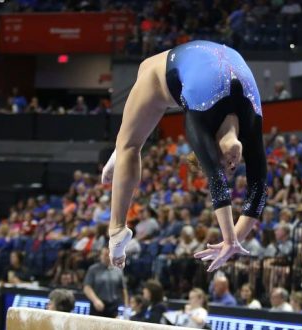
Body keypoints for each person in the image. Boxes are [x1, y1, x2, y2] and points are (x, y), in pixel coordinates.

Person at [100, 40, 268, 273]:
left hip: (163, 76)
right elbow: (251, 188)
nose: (232, 165)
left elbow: (231, 185)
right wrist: (232, 240)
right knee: (128, 142)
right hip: (190, 61)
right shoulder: (252, 124)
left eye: (225, 166)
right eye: (232, 168)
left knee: (130, 144)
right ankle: (117, 222)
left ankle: (116, 228)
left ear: (210, 153)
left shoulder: (199, 120)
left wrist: (231, 240)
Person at [83, 247, 129, 318]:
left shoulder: (118, 270)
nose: (107, 257)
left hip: (113, 307)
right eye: (105, 255)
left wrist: (126, 307)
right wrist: (95, 300)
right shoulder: (93, 269)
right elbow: (87, 287)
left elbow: (123, 289)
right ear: (100, 255)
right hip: (97, 306)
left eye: (109, 255)